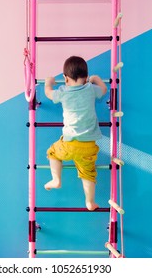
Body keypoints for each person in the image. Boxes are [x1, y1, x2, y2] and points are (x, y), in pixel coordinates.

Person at [44, 56, 107, 211]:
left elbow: (49, 94)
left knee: (52, 152)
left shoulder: (63, 92)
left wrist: (48, 83)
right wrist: (97, 79)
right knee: (88, 174)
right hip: (89, 146)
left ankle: (56, 179)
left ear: (65, 78)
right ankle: (90, 202)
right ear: (86, 77)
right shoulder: (91, 89)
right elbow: (104, 90)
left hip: (69, 144)